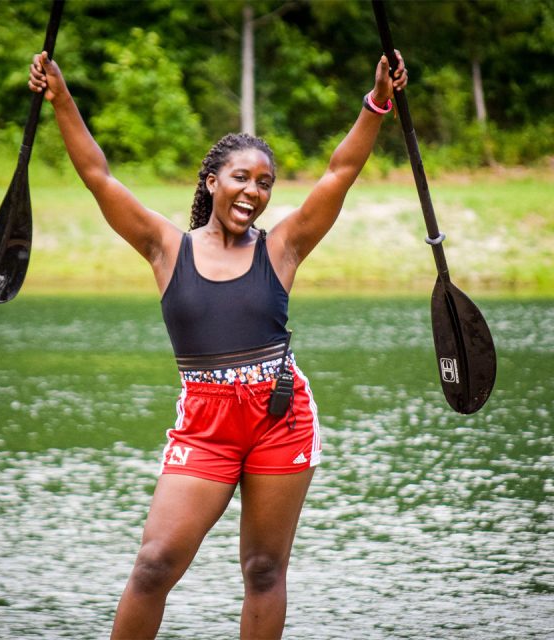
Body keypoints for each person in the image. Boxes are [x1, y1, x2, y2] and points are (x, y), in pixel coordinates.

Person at [29, 45, 407, 639]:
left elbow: (339, 173)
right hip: (205, 425)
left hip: (280, 417)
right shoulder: (165, 247)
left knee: (262, 569)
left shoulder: (280, 249)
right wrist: (61, 96)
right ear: (213, 181)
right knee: (154, 565)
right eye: (242, 178)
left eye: (266, 183)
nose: (254, 192)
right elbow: (98, 175)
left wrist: (377, 102)